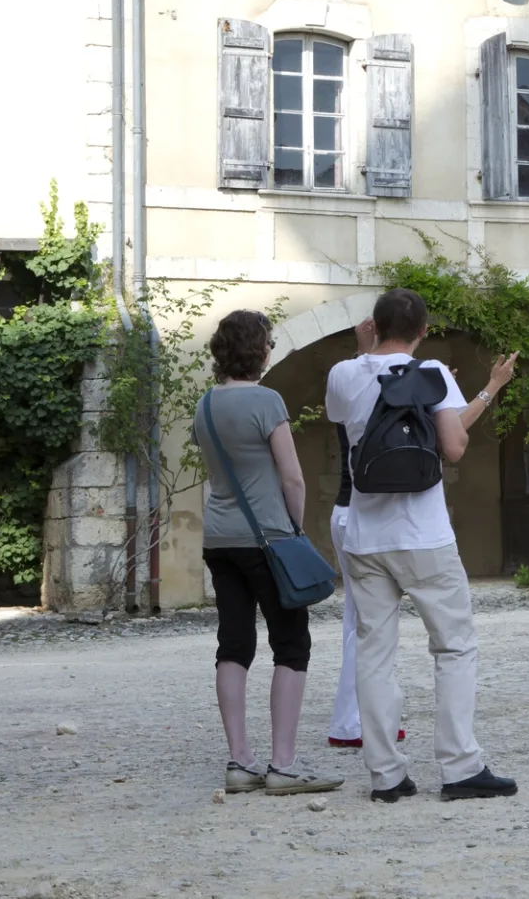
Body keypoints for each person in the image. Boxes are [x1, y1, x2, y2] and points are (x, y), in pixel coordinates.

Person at [326, 289, 519, 803]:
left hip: (366, 536)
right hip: (424, 534)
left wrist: (364, 347)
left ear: (373, 324)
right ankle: (459, 766)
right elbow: (454, 448)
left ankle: (386, 775)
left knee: (373, 652)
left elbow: (344, 416)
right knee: (454, 646)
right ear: (424, 331)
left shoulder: (343, 374)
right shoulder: (432, 372)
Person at [194, 309, 343, 796]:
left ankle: (240, 761)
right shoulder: (267, 401)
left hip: (220, 539)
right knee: (291, 644)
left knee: (233, 644)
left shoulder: (205, 405)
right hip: (268, 538)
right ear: (259, 351)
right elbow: (292, 476)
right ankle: (282, 765)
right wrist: (294, 530)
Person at [324, 423, 400, 750]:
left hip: (349, 512)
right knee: (368, 622)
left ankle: (365, 717)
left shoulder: (351, 388)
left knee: (361, 619)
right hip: (361, 516)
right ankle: (350, 722)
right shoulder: (373, 392)